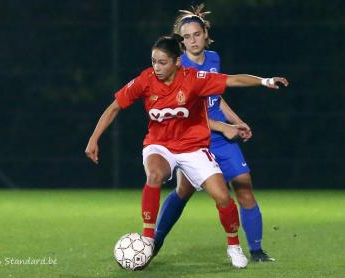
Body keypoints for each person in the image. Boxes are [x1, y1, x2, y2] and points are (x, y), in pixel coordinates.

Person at [85, 34, 288, 269]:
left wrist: (265, 81)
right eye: (153, 61)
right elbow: (114, 107)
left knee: (223, 197)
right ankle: (148, 240)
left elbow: (233, 80)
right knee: (154, 175)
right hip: (159, 145)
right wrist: (94, 138)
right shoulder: (145, 79)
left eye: (162, 62)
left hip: (193, 147)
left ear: (177, 62)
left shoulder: (194, 79)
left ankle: (233, 245)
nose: (156, 67)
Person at [154, 4, 276, 262]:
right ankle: (154, 242)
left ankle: (256, 250)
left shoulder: (213, 59)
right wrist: (225, 127)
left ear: (205, 33)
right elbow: (187, 113)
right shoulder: (177, 69)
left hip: (221, 140)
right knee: (183, 192)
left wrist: (237, 122)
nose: (192, 41)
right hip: (192, 139)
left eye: (196, 34)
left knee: (244, 186)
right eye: (186, 37)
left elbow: (215, 98)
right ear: (181, 41)